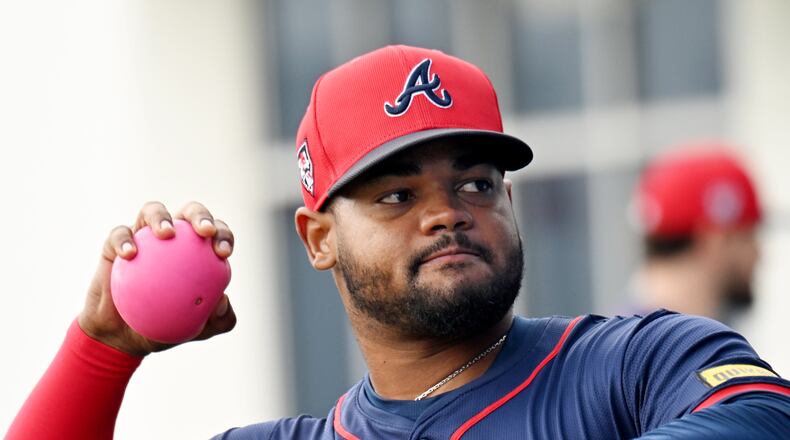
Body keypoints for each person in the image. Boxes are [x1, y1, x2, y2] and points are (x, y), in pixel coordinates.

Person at [7, 45, 790, 439]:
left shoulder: (638, 363)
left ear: (510, 204)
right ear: (317, 238)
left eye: (475, 183)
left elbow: (762, 413)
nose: (447, 212)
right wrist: (104, 348)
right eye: (397, 194)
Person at [628, 145, 763, 324]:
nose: (758, 254)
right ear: (717, 240)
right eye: (749, 237)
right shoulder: (688, 346)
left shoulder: (619, 338)